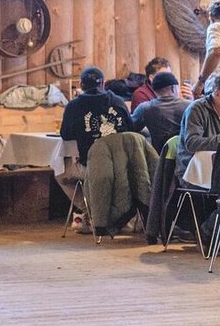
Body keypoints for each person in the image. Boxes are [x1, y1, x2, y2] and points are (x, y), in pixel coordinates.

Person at [57, 66, 134, 231]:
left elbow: (65, 135)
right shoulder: (118, 102)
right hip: (122, 166)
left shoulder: (74, 106)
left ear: (82, 86)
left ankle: (90, 212)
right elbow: (131, 130)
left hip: (91, 166)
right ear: (104, 83)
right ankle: (113, 216)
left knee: (60, 174)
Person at [131, 71, 192, 156]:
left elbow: (131, 126)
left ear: (155, 91)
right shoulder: (190, 106)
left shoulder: (145, 108)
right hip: (187, 157)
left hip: (159, 159)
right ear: (174, 88)